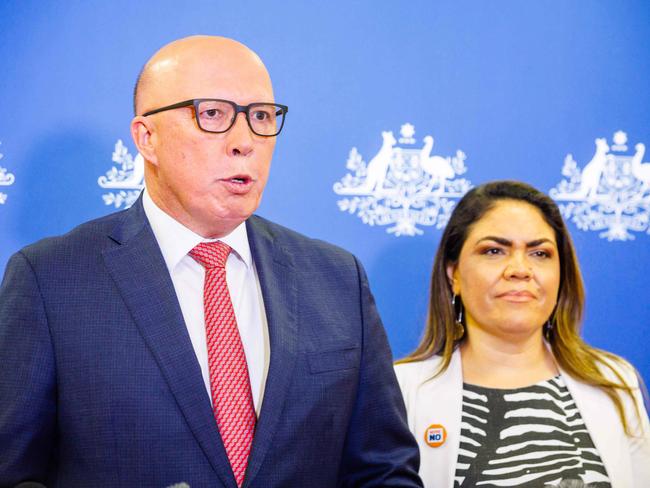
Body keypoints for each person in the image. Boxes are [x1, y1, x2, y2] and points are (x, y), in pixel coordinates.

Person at [0, 36, 422, 488]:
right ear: (148, 138)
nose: (245, 142)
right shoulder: (50, 279)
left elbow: (383, 470)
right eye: (213, 115)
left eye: (261, 116)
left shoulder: (336, 278)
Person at [394, 181, 650, 487]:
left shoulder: (615, 381)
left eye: (540, 253)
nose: (519, 269)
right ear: (454, 275)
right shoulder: (400, 392)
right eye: (494, 250)